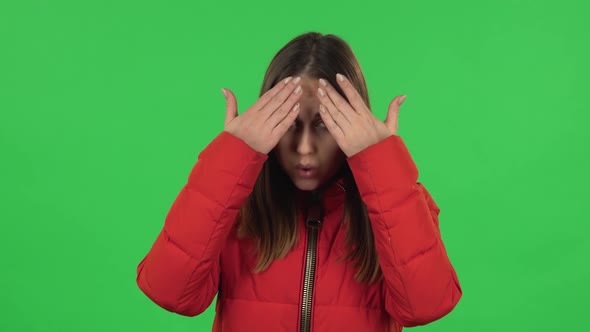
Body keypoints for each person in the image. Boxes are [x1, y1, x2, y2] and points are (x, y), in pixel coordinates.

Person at [136, 32, 462, 332]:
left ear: (355, 123)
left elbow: (427, 306)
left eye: (324, 125)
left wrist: (383, 167)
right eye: (289, 124)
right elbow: (170, 292)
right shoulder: (236, 207)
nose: (304, 148)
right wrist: (231, 158)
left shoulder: (398, 202)